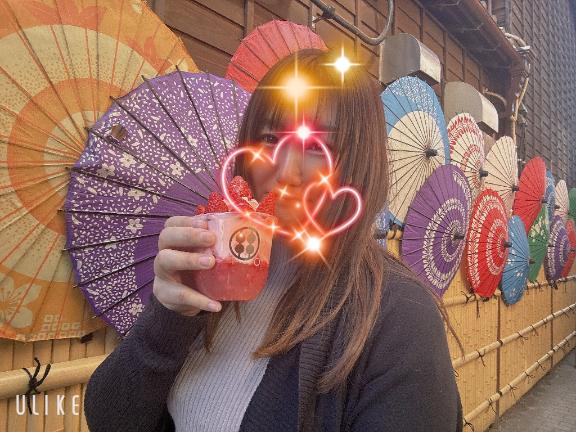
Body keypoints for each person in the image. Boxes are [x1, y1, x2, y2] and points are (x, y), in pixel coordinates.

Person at [84, 49, 463, 432]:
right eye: (269, 137)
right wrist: (167, 319)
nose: (285, 170)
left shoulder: (400, 318)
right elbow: (109, 419)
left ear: (360, 162)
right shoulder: (214, 272)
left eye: (316, 147)